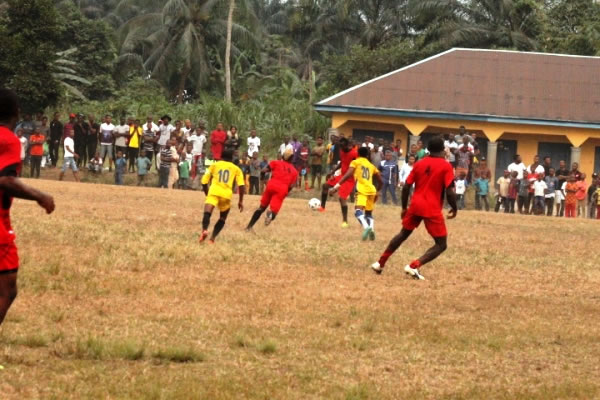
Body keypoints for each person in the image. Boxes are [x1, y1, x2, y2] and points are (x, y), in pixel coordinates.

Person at [0, 89, 55, 328]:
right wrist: (40, 196)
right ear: (16, 112)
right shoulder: (8, 139)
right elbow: (5, 180)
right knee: (6, 290)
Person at [371, 137, 457, 279]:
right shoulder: (446, 166)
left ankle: (380, 263)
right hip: (431, 208)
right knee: (441, 244)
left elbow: (406, 187)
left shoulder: (419, 163)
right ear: (443, 149)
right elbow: (449, 191)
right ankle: (414, 266)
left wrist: (404, 207)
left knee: (403, 234)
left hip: (415, 205)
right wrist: (455, 208)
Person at [330, 146, 382, 240]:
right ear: (367, 155)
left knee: (358, 211)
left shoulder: (355, 162)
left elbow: (347, 175)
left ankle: (367, 227)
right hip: (372, 190)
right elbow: (380, 180)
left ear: (358, 154)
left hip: (361, 190)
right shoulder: (371, 166)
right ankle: (372, 229)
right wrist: (377, 190)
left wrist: (336, 186)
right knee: (368, 213)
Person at [200, 149, 245, 243]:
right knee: (222, 218)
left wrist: (207, 194)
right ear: (232, 158)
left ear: (221, 157)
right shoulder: (236, 168)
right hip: (226, 195)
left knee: (207, 213)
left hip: (214, 191)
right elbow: (241, 185)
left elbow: (204, 182)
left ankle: (204, 230)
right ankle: (212, 239)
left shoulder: (214, 165)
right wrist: (240, 201)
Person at [246, 150, 298, 230]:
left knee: (261, 208)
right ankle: (270, 215)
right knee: (274, 211)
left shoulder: (275, 162)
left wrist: (262, 177)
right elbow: (292, 185)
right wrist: (286, 192)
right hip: (282, 189)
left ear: (283, 156)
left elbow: (263, 170)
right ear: (292, 158)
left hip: (271, 185)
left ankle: (249, 227)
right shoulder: (294, 171)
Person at [319, 137, 358, 228]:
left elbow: (354, 168)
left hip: (349, 179)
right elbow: (342, 163)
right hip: (342, 175)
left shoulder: (354, 154)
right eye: (340, 146)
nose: (341, 148)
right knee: (325, 185)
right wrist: (333, 171)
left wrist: (337, 186)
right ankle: (322, 207)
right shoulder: (342, 151)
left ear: (348, 145)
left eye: (343, 146)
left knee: (342, 198)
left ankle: (345, 221)